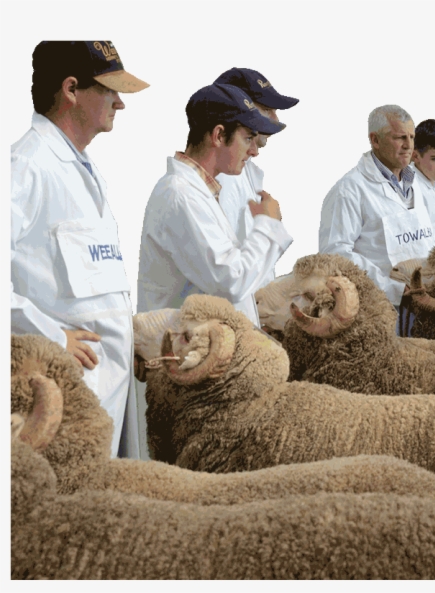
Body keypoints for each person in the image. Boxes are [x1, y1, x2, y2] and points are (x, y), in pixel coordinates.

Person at [11, 41, 149, 458]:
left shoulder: (85, 170)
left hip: (108, 384)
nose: (120, 104)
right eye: (110, 90)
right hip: (66, 387)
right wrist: (50, 335)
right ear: (71, 89)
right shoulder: (26, 167)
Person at [136, 83, 285, 328]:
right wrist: (268, 225)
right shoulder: (180, 196)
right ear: (218, 135)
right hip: (188, 354)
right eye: (248, 138)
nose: (253, 151)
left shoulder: (199, 192)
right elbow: (231, 282)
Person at [318, 105, 435, 308]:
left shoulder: (420, 185)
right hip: (381, 307)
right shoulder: (349, 190)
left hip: (428, 302)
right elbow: (335, 255)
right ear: (375, 140)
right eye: (399, 138)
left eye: (412, 137)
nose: (408, 145)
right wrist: (391, 287)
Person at [212, 67, 298, 289]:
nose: (275, 119)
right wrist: (270, 223)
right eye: (267, 109)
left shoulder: (246, 171)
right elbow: (230, 272)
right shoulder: (225, 178)